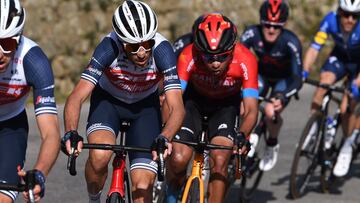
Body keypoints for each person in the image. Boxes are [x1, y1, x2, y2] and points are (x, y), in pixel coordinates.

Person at [61, 1, 185, 203]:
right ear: (121, 42)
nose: (142, 52)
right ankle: (94, 199)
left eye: (147, 44)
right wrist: (71, 132)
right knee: (100, 155)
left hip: (145, 108)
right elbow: (77, 96)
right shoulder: (108, 47)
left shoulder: (163, 51)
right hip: (109, 103)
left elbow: (177, 107)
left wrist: (166, 136)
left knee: (143, 187)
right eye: (134, 47)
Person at [166, 13, 258, 203]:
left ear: (232, 49)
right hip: (193, 104)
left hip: (225, 107)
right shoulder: (187, 55)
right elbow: (172, 100)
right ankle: (171, 195)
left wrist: (243, 134)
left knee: (221, 158)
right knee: (178, 158)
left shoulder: (246, 59)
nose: (215, 63)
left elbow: (250, 109)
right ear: (199, 50)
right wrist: (166, 134)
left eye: (222, 56)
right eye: (208, 56)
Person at [0, 0, 60, 202]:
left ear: (18, 39)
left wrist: (39, 173)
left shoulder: (34, 61)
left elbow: (50, 133)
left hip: (10, 127)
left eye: (7, 43)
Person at [240, 0, 303, 171]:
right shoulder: (251, 33)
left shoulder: (291, 41)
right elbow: (237, 59)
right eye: (267, 25)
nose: (271, 29)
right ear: (261, 22)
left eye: (276, 26)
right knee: (242, 105)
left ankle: (271, 143)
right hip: (261, 76)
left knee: (269, 111)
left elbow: (298, 77)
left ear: (283, 25)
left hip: (284, 80)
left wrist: (283, 96)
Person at [302, 0, 360, 177]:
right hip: (340, 59)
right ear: (339, 12)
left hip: (358, 65)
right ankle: (314, 128)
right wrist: (304, 72)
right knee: (323, 83)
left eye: (355, 16)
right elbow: (314, 48)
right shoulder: (330, 20)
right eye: (345, 14)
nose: (349, 20)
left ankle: (348, 144)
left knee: (347, 108)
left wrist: (357, 83)